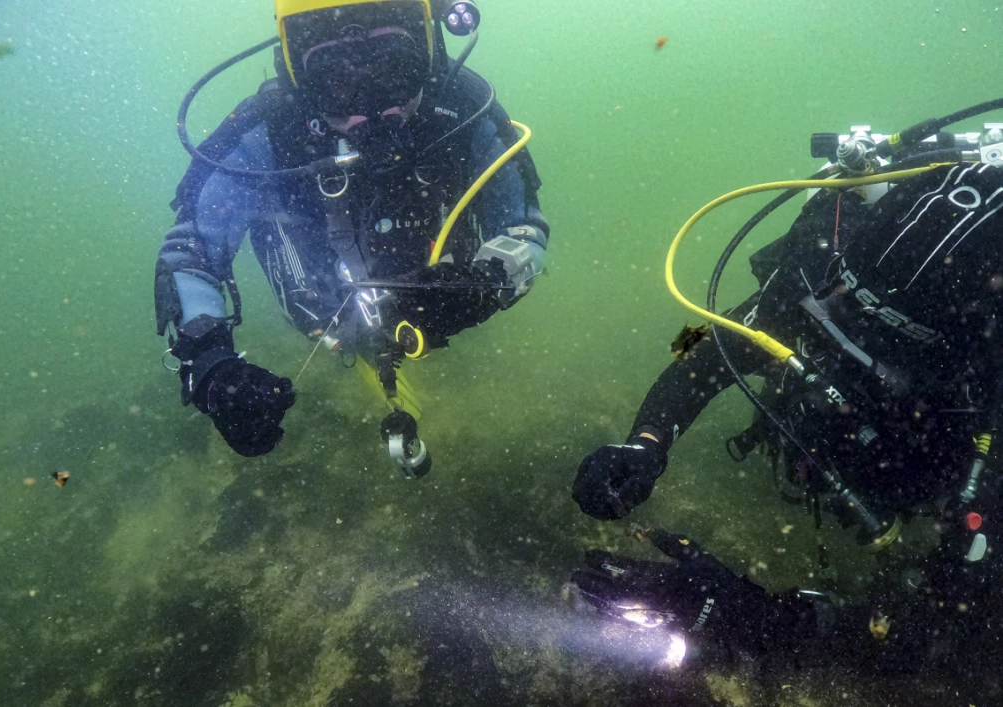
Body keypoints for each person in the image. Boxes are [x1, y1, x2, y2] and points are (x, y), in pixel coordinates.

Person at [570, 145, 1003, 699]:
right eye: (841, 307)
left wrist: (755, 616)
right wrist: (646, 445)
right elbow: (708, 358)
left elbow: (933, 635)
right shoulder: (825, 267)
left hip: (939, 469)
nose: (838, 334)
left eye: (882, 345)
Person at [153, 0, 548, 459]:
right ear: (296, 75)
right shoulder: (270, 127)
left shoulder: (464, 107)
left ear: (430, 50)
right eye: (337, 79)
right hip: (325, 306)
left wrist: (480, 285)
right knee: (334, 316)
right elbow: (192, 248)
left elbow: (524, 226)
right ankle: (352, 335)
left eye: (395, 68)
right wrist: (209, 365)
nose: (373, 109)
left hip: (444, 291)